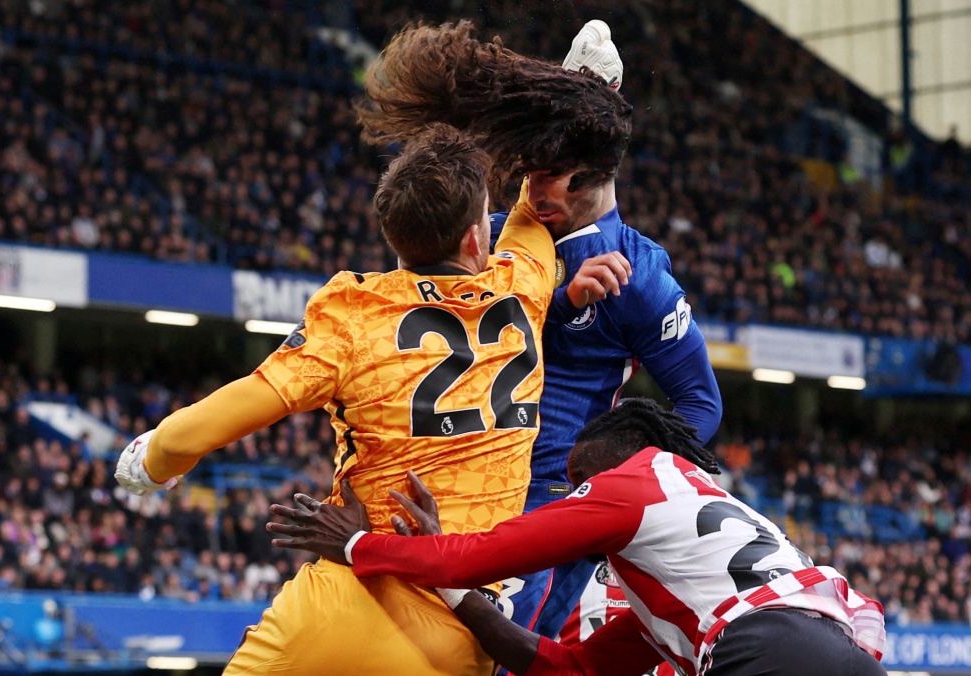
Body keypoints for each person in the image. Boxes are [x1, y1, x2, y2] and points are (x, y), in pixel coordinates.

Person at [115, 121, 632, 674]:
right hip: (459, 622)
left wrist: (156, 459)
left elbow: (242, 405)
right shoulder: (523, 285)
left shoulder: (355, 312)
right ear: (474, 239)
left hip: (342, 596)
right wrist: (579, 100)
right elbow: (531, 211)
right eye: (487, 216)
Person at [357, 19, 723, 640]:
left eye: (554, 172)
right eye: (529, 168)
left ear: (598, 170)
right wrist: (559, 304)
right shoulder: (494, 234)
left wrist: (619, 479)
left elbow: (701, 403)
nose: (536, 186)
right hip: (460, 479)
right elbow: (434, 322)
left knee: (502, 653)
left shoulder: (637, 276)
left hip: (547, 504)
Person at [269, 399, 886, 676]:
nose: (573, 493)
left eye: (579, 477)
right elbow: (574, 670)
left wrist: (357, 546)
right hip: (835, 652)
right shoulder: (679, 552)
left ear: (623, 452)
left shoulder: (632, 484)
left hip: (763, 651)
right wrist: (453, 591)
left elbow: (481, 555)